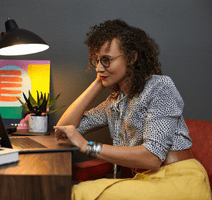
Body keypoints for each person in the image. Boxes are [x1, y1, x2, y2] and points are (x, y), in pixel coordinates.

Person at [53, 19, 211, 200]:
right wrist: (98, 83)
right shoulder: (114, 102)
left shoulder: (160, 87)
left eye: (106, 60)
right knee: (78, 190)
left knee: (80, 193)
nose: (98, 67)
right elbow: (63, 131)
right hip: (146, 180)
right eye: (96, 61)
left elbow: (152, 157)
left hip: (180, 179)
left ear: (131, 57)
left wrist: (87, 146)